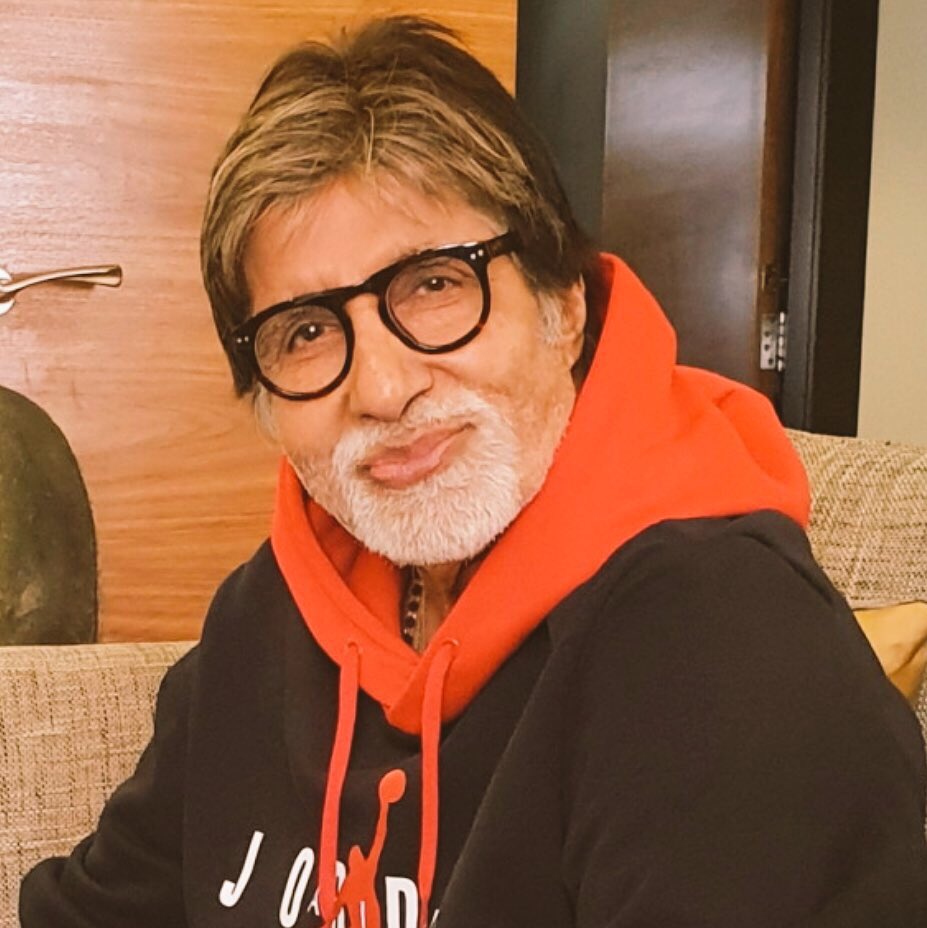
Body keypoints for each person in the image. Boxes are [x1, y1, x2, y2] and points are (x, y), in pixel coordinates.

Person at [20, 16, 927, 928]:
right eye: (306, 331)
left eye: (433, 284)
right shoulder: (269, 614)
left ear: (564, 305)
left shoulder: (727, 651)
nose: (382, 388)